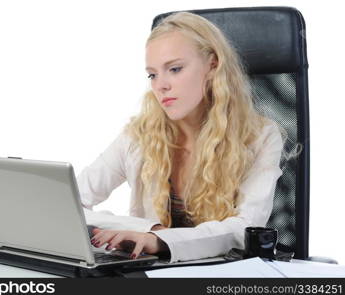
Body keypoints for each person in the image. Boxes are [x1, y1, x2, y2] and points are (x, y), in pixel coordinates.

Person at [76, 11, 284, 263]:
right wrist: (150, 230)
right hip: (153, 276)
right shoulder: (140, 134)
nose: (160, 85)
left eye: (174, 69)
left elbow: (245, 228)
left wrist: (163, 242)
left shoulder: (260, 137)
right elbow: (71, 205)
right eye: (152, 74)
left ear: (212, 65)